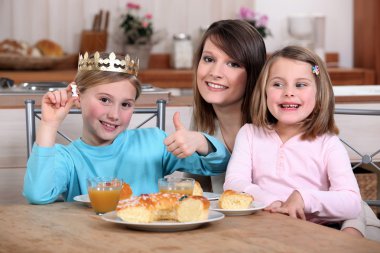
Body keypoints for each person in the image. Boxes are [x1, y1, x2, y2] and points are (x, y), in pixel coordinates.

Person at [23, 52, 230, 204]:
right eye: (104, 99)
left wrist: (200, 142)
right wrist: (49, 125)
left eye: (126, 104)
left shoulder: (153, 143)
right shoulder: (66, 159)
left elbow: (219, 164)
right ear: (77, 98)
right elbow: (38, 194)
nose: (114, 114)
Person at [224, 45, 380, 241]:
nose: (288, 92)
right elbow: (234, 182)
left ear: (318, 93)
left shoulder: (328, 143)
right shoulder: (249, 134)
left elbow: (351, 202)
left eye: (300, 85)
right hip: (262, 233)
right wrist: (275, 202)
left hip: (316, 237)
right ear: (264, 90)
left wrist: (303, 198)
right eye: (278, 84)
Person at [180, 19, 266, 193]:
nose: (215, 73)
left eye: (233, 64)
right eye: (209, 59)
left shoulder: (273, 125)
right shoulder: (203, 119)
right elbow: (195, 191)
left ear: (254, 73)